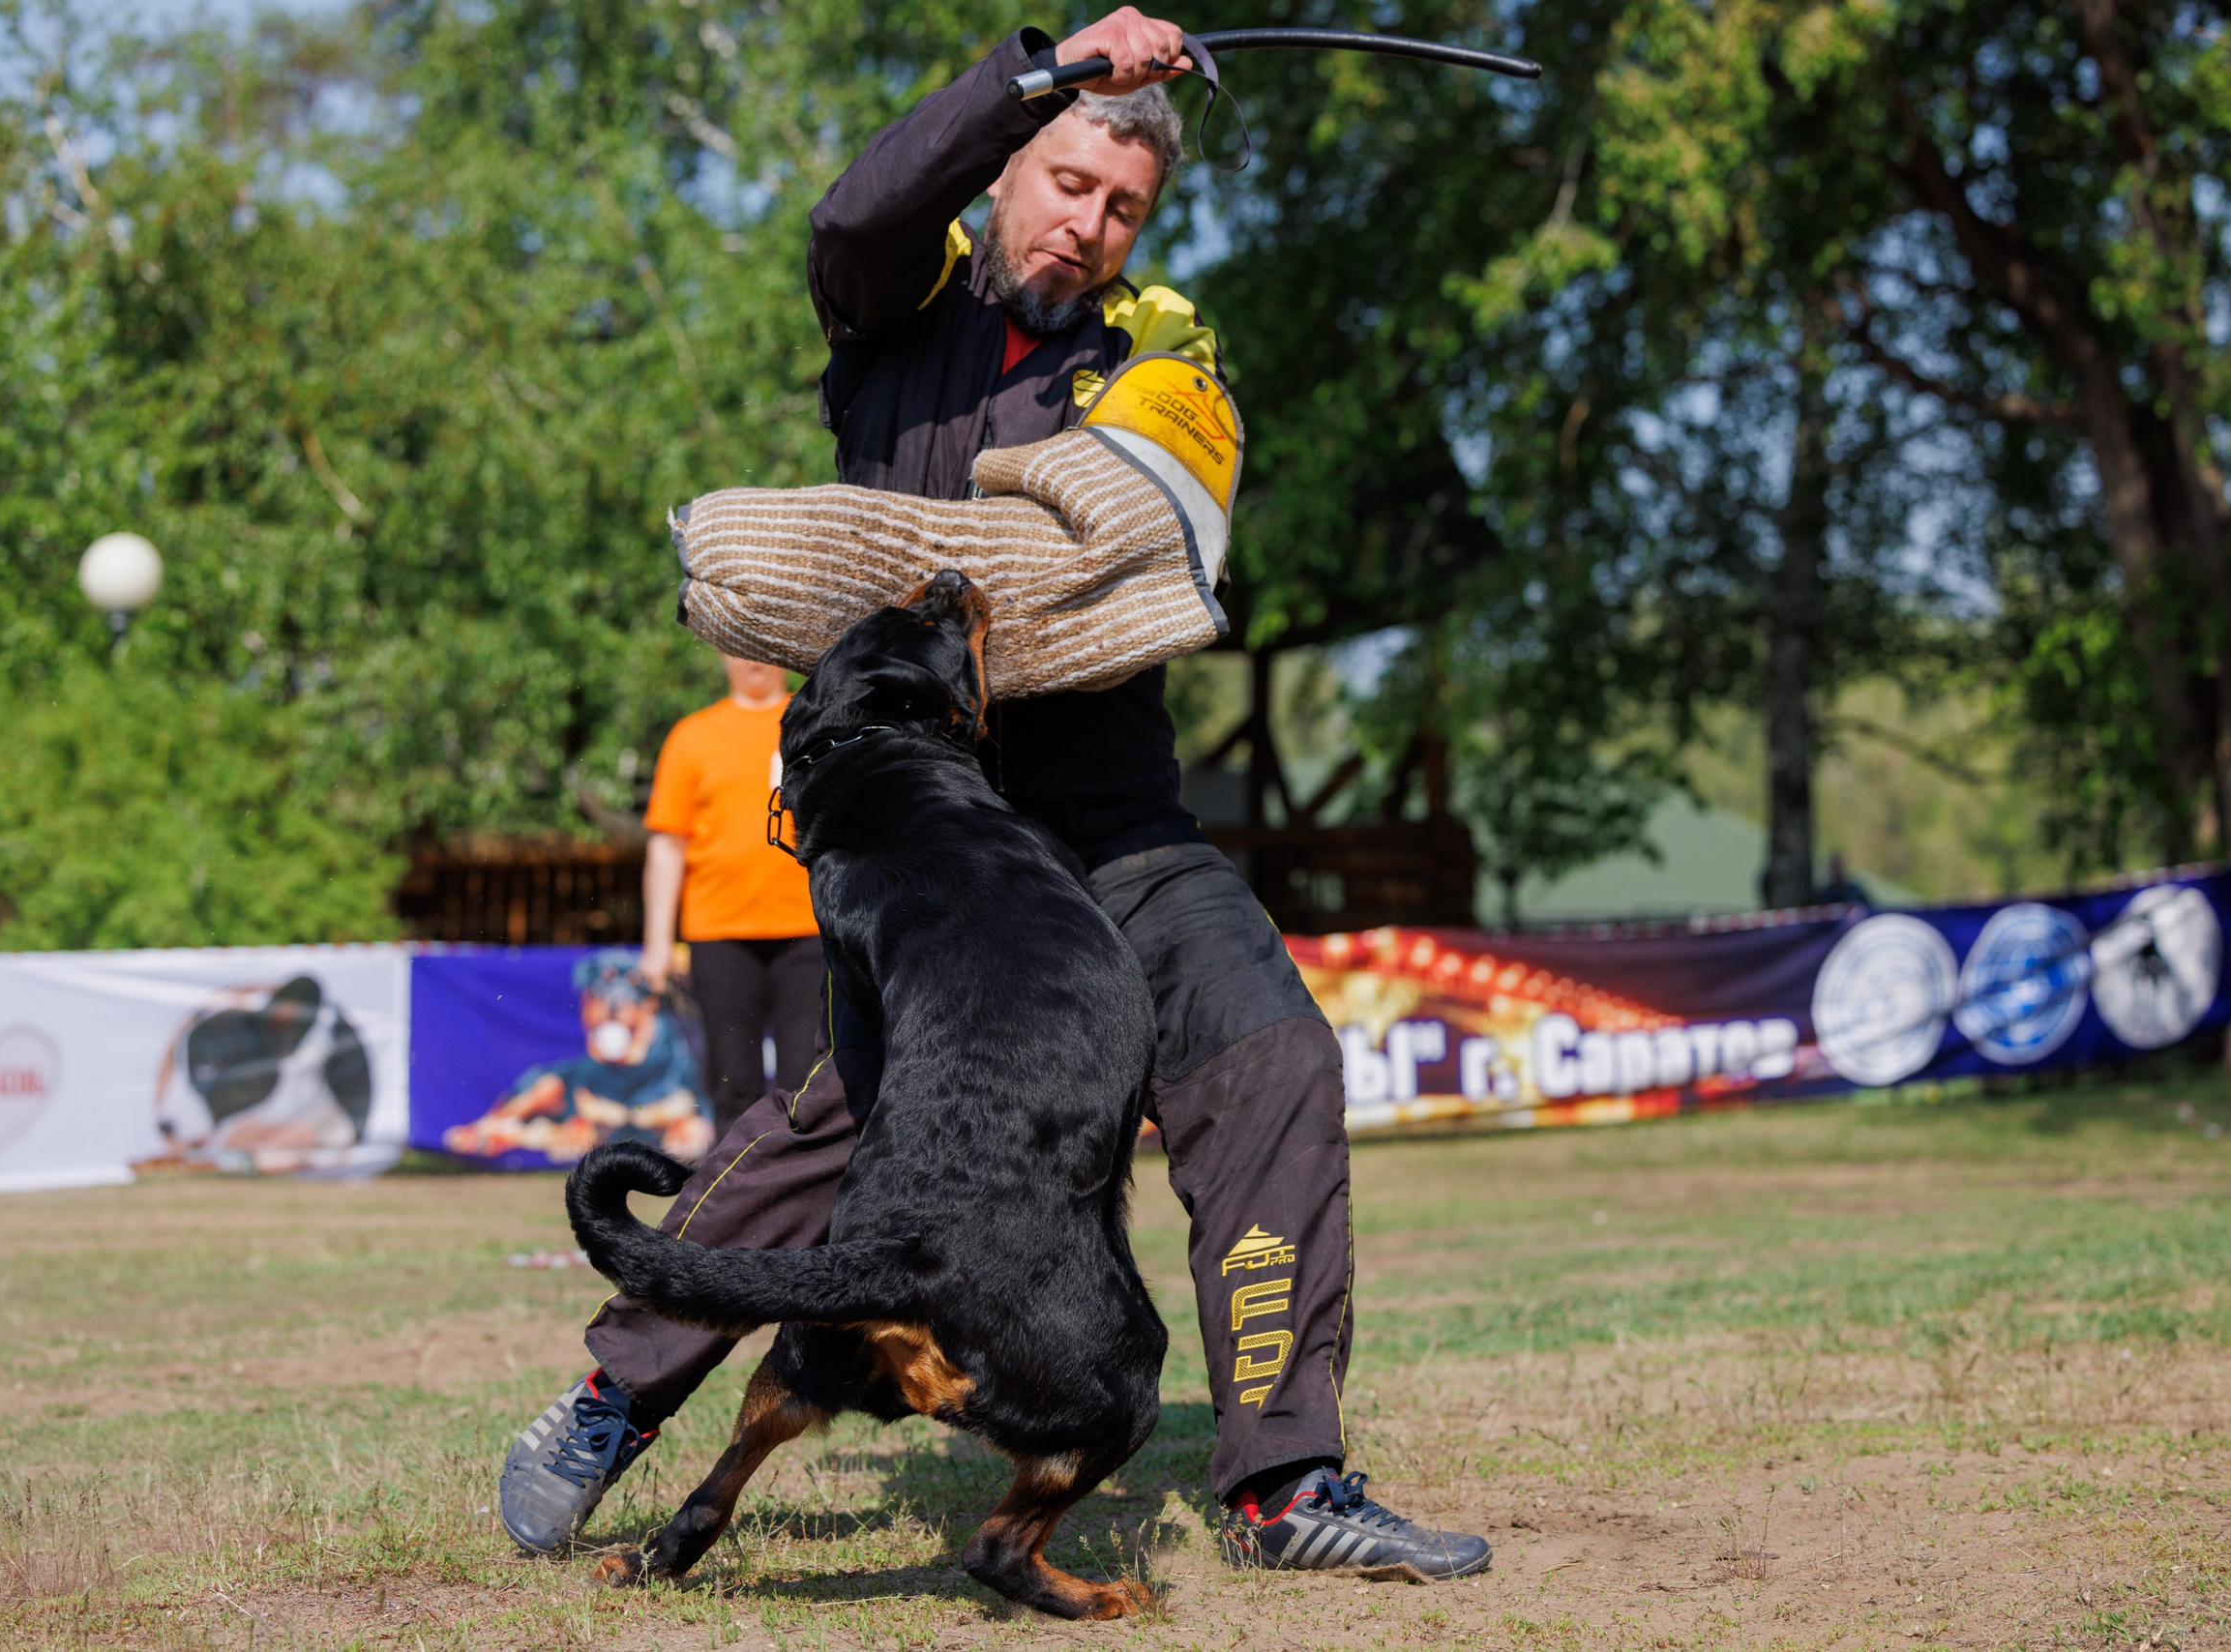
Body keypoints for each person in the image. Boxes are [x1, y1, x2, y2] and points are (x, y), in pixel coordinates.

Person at [497, 7, 1493, 1583]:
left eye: (1122, 208)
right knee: (854, 1123)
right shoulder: (907, 306)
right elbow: (854, 213)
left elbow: (1159, 531)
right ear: (1009, 173)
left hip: (1113, 820)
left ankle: (1287, 1477)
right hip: (935, 830)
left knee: (1273, 1054)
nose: (1088, 227)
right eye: (1068, 184)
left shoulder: (1161, 348)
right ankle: (616, 1396)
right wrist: (1045, 73)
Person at [638, 652, 824, 1134]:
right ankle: (736, 1205)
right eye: (739, 648)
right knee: (731, 1085)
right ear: (721, 653)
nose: (751, 661)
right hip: (719, 934)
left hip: (808, 930)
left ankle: (800, 1205)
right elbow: (666, 845)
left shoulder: (813, 724)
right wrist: (657, 943)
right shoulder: (692, 736)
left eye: (761, 648)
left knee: (805, 1087)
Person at [442, 953, 712, 1165]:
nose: (613, 1009)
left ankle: (507, 1133)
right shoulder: (587, 1072)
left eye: (626, 1000)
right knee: (546, 1089)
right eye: (602, 1000)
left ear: (649, 1007)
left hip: (639, 1119)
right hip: (576, 1117)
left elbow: (688, 1108)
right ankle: (490, 1128)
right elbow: (588, 1112)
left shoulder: (674, 1061)